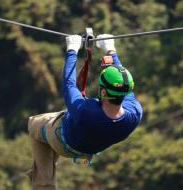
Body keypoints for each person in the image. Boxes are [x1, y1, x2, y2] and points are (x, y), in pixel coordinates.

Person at [27, 34, 143, 190]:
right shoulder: (134, 113)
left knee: (34, 123)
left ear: (102, 92)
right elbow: (122, 83)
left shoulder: (85, 111)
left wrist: (72, 50)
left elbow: (69, 85)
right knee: (58, 123)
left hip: (63, 141)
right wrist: (110, 50)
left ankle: (44, 186)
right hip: (89, 147)